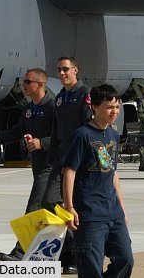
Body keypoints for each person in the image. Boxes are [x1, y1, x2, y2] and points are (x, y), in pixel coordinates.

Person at [0, 68, 58, 260]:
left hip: (51, 166)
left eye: (27, 82)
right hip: (38, 165)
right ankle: (74, 252)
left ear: (40, 85)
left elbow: (62, 136)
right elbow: (16, 132)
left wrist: (42, 143)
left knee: (34, 208)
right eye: (24, 82)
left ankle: (20, 252)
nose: (23, 86)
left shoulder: (53, 107)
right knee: (52, 210)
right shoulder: (29, 109)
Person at [62, 84, 133, 278]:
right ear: (94, 106)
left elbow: (113, 173)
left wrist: (122, 208)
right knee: (91, 269)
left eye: (117, 107)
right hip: (89, 215)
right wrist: (69, 207)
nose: (115, 111)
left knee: (125, 260)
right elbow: (70, 172)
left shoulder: (113, 135)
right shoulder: (82, 135)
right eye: (109, 107)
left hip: (113, 212)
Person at [47, 56, 92, 275]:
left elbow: (87, 130)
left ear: (76, 70)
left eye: (66, 69)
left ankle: (77, 255)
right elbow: (56, 132)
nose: (62, 73)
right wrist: (52, 161)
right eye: (59, 70)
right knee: (51, 204)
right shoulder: (60, 97)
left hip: (78, 162)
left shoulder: (85, 95)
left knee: (75, 208)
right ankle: (64, 253)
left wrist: (76, 162)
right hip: (60, 160)